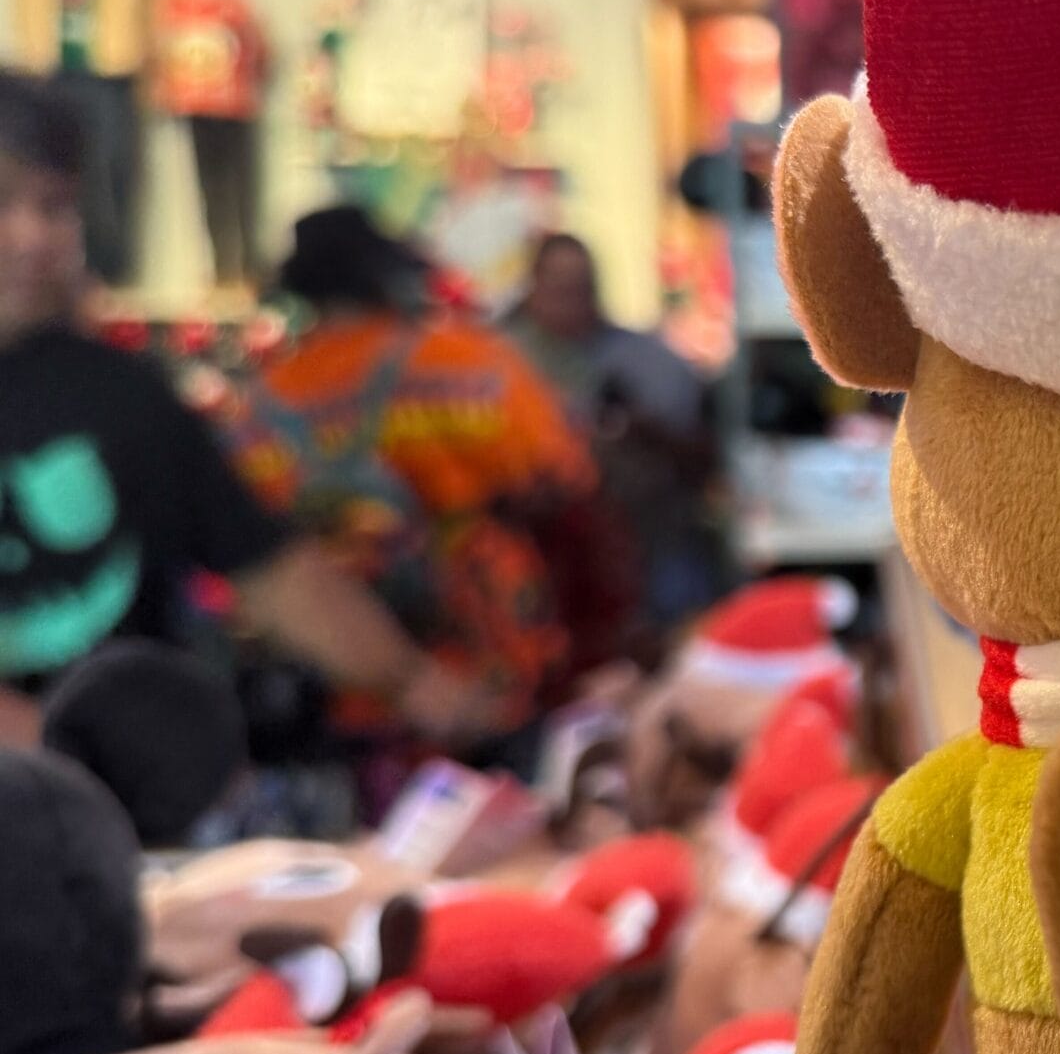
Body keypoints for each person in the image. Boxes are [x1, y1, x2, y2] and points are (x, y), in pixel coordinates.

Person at [0, 72, 486, 747]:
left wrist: (416, 684)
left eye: (53, 207)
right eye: (3, 201)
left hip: (110, 794)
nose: (30, 235)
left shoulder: (126, 396)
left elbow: (272, 569)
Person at [228, 205, 598, 747]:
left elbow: (244, 558)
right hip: (487, 679)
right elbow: (568, 483)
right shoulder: (471, 364)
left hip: (342, 684)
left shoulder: (258, 412)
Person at [508, 230, 721, 628]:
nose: (571, 304)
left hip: (645, 550)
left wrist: (644, 431)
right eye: (559, 289)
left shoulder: (647, 359)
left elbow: (704, 458)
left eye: (581, 289)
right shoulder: (503, 362)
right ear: (534, 288)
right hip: (541, 564)